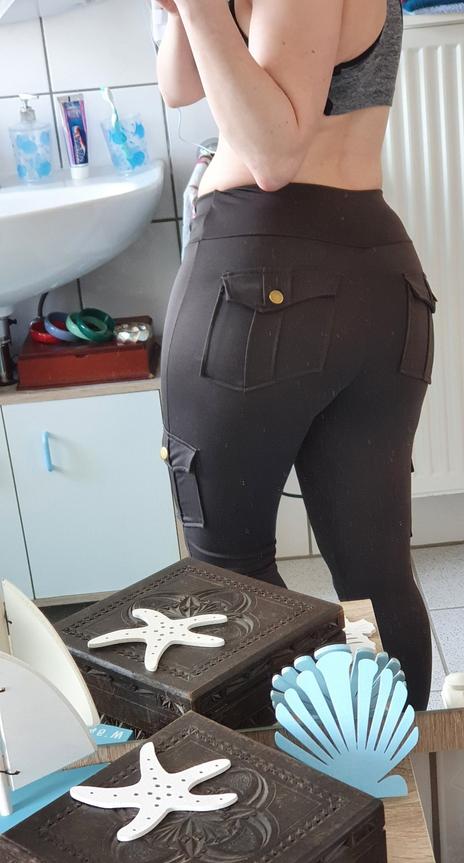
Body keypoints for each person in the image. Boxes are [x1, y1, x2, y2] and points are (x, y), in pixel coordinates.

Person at [156, 0, 437, 710]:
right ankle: (385, 762)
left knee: (228, 575)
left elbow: (274, 156)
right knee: (376, 574)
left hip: (258, 276)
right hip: (375, 274)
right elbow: (179, 86)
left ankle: (301, 769)